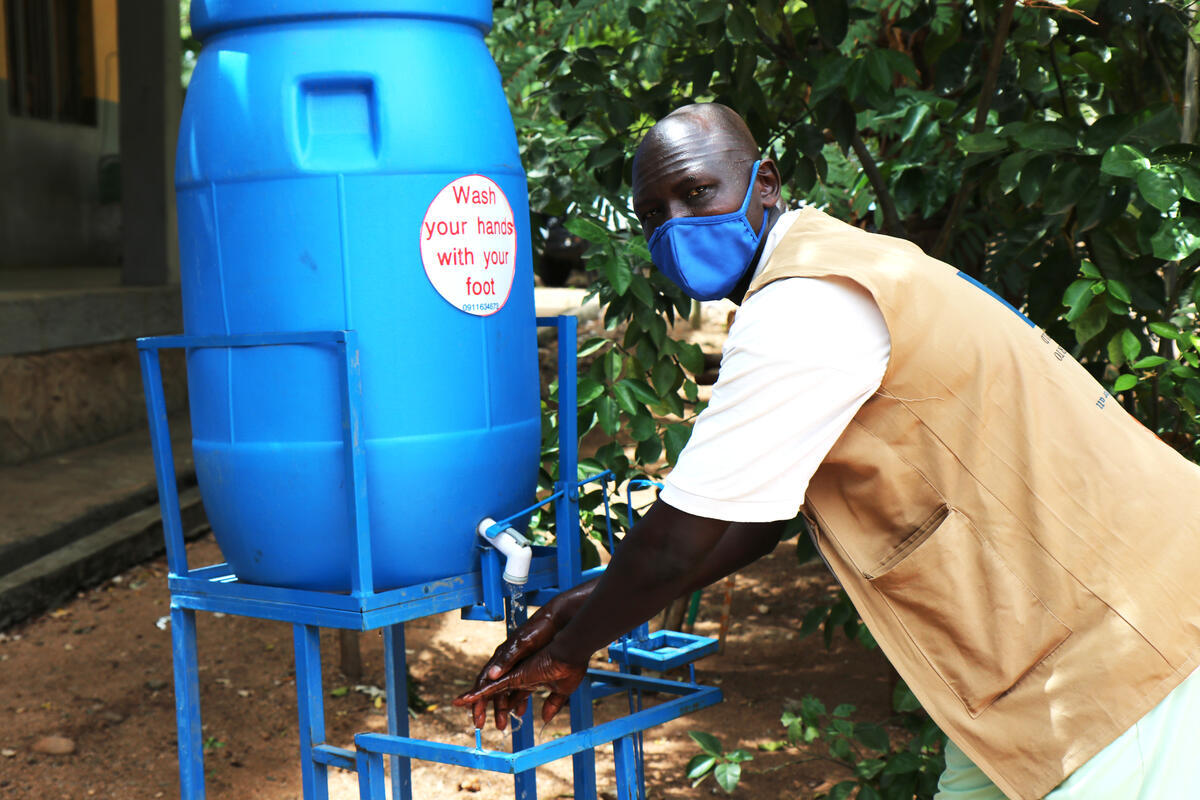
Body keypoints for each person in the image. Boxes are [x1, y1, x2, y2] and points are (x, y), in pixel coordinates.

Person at [454, 103, 1200, 800]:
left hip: (1120, 648)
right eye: (654, 215)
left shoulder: (803, 306)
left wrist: (575, 648)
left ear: (764, 182)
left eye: (697, 192)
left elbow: (677, 542)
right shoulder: (830, 264)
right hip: (1038, 651)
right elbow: (754, 517)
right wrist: (585, 602)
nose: (677, 227)